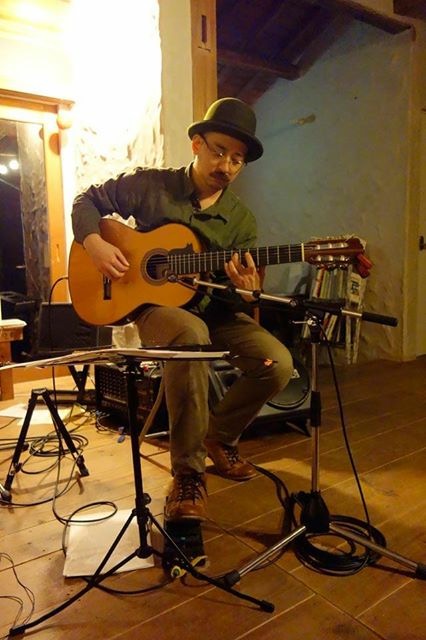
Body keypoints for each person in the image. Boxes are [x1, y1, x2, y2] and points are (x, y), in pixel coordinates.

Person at [71, 97, 294, 522]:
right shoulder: (151, 185)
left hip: (216, 312)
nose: (226, 165)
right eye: (219, 151)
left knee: (276, 363)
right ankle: (188, 475)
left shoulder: (242, 221)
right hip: (155, 309)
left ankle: (219, 436)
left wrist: (248, 294)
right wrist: (94, 243)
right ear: (197, 144)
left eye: (237, 159)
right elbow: (87, 200)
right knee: (190, 335)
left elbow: (233, 295)